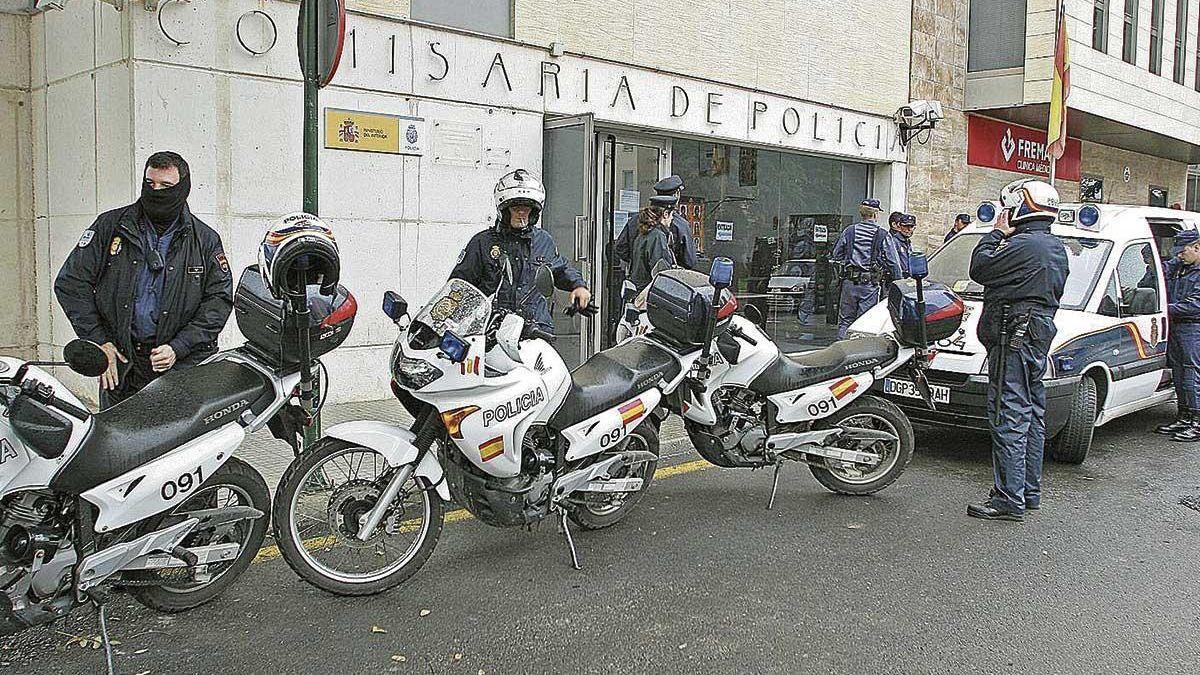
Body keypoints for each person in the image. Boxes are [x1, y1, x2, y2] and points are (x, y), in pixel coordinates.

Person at [54, 151, 233, 408]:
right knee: (119, 442)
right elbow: (71, 284)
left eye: (166, 186)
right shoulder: (111, 226)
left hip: (179, 368)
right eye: (150, 184)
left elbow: (219, 301)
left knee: (177, 445)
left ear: (183, 189)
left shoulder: (204, 240)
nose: (156, 191)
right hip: (122, 365)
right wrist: (99, 340)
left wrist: (179, 347)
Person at [966, 179, 1069, 521]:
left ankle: (1009, 498)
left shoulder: (1024, 244)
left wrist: (995, 233)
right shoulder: (1053, 246)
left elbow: (980, 268)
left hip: (1015, 334)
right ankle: (1028, 491)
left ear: (1023, 206)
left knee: (1008, 411)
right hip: (1033, 333)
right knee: (1032, 411)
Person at [450, 169, 592, 334]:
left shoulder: (543, 240)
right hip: (492, 330)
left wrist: (578, 286)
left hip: (536, 328)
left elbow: (560, 269)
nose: (521, 212)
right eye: (516, 207)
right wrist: (444, 318)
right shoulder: (483, 242)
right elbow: (459, 285)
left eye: (527, 207)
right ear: (504, 209)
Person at [830, 198, 904, 339]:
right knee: (864, 322)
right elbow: (893, 262)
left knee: (845, 321)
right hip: (869, 285)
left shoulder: (849, 231)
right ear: (876, 214)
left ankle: (840, 349)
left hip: (849, 283)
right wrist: (899, 282)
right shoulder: (882, 234)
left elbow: (836, 254)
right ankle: (858, 352)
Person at [1155, 230, 1200, 441]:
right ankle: (1184, 416)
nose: (1180, 256)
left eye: (1183, 251)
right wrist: (1174, 262)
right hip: (1177, 326)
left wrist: (1164, 308)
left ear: (1197, 248)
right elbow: (1154, 276)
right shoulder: (1181, 268)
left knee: (1191, 374)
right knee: (1179, 373)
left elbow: (1194, 305)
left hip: (1193, 328)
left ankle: (1197, 422)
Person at [615, 175, 698, 271]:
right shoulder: (679, 225)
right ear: (677, 194)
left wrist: (638, 263)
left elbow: (621, 248)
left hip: (638, 278)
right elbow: (690, 261)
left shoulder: (636, 219)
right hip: (663, 279)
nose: (670, 218)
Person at [628, 206, 673, 289]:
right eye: (671, 215)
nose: (672, 218)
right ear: (665, 214)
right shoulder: (657, 236)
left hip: (639, 286)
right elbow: (660, 270)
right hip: (648, 290)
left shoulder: (643, 235)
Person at [890, 213, 916, 279]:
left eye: (911, 227)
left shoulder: (907, 242)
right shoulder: (894, 241)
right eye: (906, 226)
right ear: (900, 226)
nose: (909, 229)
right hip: (898, 279)